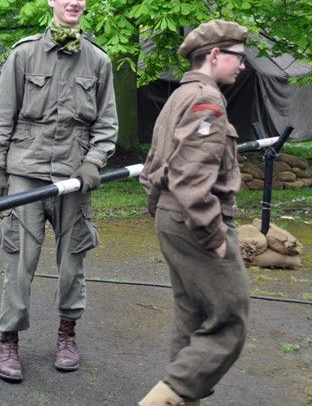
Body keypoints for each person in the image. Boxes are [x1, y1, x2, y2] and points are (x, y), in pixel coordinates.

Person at [0, 0, 118, 382]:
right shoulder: (23, 54)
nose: (75, 3)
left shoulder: (98, 60)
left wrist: (93, 162)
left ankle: (67, 334)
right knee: (19, 263)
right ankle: (8, 340)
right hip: (25, 171)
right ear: (52, 0)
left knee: (72, 261)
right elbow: (2, 116)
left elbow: (107, 124)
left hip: (73, 175)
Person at [138, 20, 249, 406]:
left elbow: (154, 165)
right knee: (229, 321)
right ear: (215, 55)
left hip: (173, 217)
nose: (242, 65)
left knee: (193, 319)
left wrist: (162, 212)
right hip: (195, 221)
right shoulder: (207, 100)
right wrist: (213, 234)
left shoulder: (179, 96)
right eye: (238, 57)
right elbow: (190, 177)